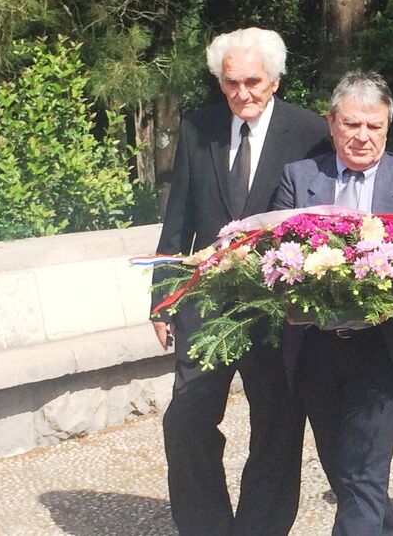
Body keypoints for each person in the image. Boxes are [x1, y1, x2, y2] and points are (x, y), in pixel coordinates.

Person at [151, 28, 330, 536]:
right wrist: (162, 297)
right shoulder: (198, 127)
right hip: (206, 308)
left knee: (276, 430)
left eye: (252, 81)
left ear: (274, 80)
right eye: (230, 82)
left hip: (276, 310)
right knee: (185, 424)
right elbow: (178, 218)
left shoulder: (309, 131)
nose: (241, 93)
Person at [270, 71, 393, 536]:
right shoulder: (299, 178)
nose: (361, 137)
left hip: (381, 350)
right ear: (332, 124)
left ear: (388, 127)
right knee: (346, 476)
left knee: (365, 476)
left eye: (374, 126)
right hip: (315, 351)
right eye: (351, 125)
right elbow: (271, 261)